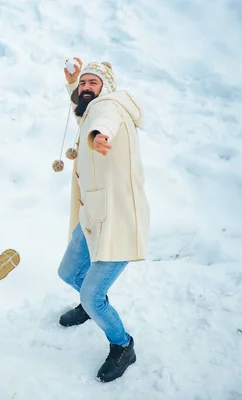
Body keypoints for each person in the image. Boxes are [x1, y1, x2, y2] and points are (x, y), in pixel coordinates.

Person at [57, 58, 150, 382]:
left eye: (91, 84)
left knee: (91, 295)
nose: (85, 89)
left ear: (106, 88)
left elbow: (103, 118)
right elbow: (86, 111)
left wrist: (100, 135)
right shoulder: (91, 108)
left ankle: (123, 345)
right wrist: (73, 84)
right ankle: (93, 306)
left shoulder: (109, 108)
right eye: (83, 84)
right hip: (93, 216)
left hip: (119, 220)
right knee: (68, 272)